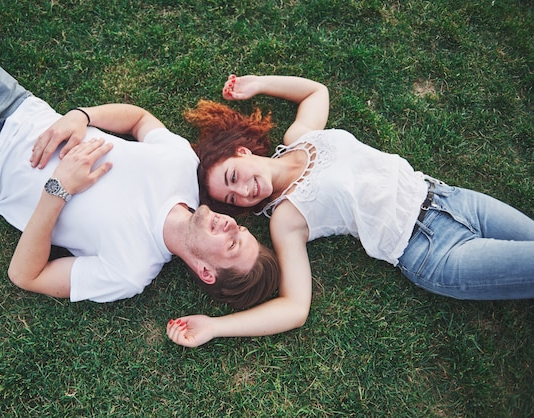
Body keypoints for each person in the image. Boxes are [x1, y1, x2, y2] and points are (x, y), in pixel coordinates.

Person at [0, 15, 279, 309]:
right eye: (242, 232)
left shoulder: (130, 271)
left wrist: (59, 189)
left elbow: (26, 275)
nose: (232, 226)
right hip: (10, 99)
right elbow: (138, 120)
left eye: (232, 246)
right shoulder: (182, 165)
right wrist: (81, 116)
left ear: (206, 272)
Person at [166, 74, 534, 347]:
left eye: (233, 177)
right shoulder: (287, 219)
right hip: (433, 253)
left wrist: (259, 84)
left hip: (452, 199)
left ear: (243, 153)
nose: (244, 191)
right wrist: (216, 326)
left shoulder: (301, 139)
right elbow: (295, 308)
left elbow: (315, 92)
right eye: (232, 200)